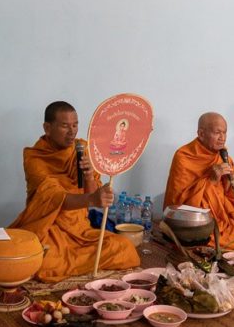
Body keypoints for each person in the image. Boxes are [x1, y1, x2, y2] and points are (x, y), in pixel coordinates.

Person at [9, 101, 140, 282]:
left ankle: (75, 264)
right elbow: (55, 198)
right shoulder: (34, 157)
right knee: (44, 261)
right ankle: (76, 264)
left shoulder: (82, 149)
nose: (72, 132)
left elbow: (92, 192)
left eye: (75, 125)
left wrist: (87, 175)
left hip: (81, 229)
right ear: (47, 128)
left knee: (124, 247)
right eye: (65, 126)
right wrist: (92, 199)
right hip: (50, 227)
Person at [164, 112, 234, 249]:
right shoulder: (184, 156)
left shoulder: (222, 154)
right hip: (196, 218)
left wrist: (228, 181)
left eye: (225, 133)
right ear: (201, 133)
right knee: (204, 236)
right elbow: (179, 201)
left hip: (222, 211)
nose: (222, 138)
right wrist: (210, 179)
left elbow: (227, 193)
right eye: (217, 133)